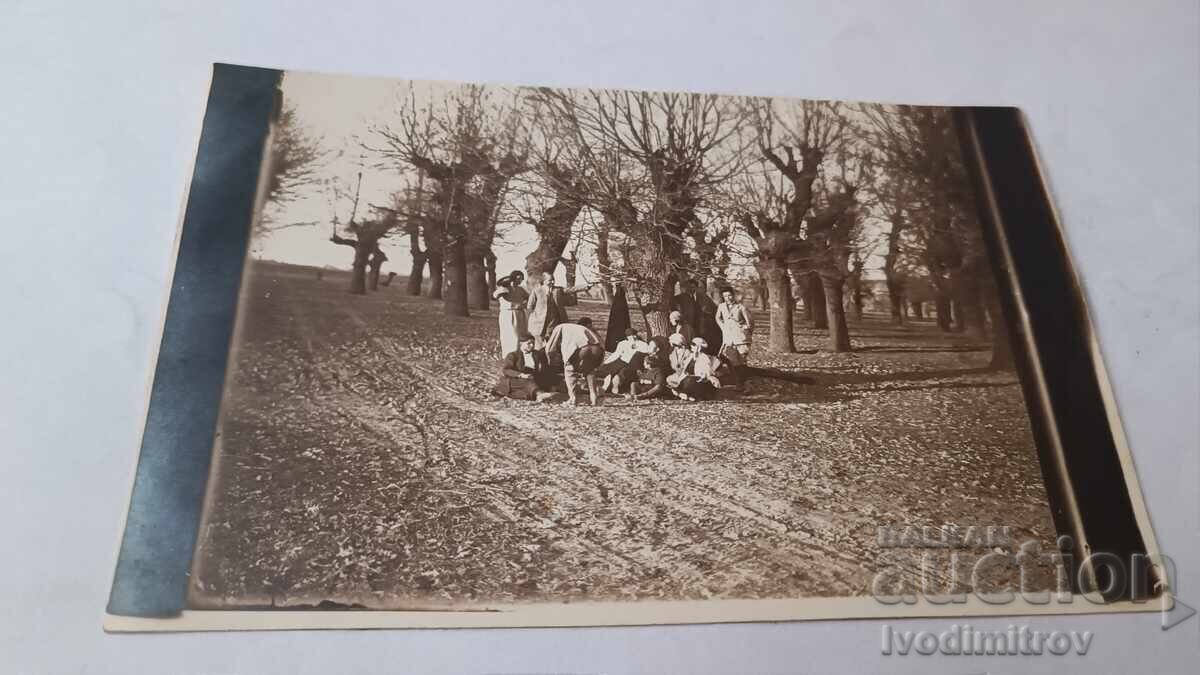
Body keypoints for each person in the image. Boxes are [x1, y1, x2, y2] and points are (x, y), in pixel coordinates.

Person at [545, 318, 604, 406]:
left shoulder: (559, 327)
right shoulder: (579, 328)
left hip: (582, 348)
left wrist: (550, 361)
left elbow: (550, 348)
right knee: (589, 371)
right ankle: (594, 397)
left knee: (569, 370)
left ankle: (572, 398)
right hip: (597, 348)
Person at [492, 333, 557, 402]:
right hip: (515, 379)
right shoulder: (513, 355)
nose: (532, 345)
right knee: (528, 382)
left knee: (545, 380)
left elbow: (545, 368)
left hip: (532, 377)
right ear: (521, 343)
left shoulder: (537, 354)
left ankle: (549, 393)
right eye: (529, 343)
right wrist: (521, 375)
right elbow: (506, 370)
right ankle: (540, 394)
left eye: (533, 343)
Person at [595, 327, 654, 396]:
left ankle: (612, 387)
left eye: (634, 335)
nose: (633, 337)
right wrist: (606, 362)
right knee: (610, 372)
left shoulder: (643, 344)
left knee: (621, 373)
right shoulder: (623, 343)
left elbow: (646, 355)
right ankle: (604, 388)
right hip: (622, 362)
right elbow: (616, 354)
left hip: (634, 365)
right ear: (627, 337)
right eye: (630, 336)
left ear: (637, 335)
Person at [715, 286, 754, 386]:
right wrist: (723, 327)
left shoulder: (741, 307)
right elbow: (718, 318)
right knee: (733, 361)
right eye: (725, 296)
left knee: (742, 360)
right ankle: (739, 382)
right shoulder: (721, 306)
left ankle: (745, 383)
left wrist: (745, 328)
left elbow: (750, 322)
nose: (728, 298)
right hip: (728, 338)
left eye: (730, 295)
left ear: (733, 295)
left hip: (741, 338)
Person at [672, 278, 718, 355]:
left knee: (700, 343)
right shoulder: (681, 297)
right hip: (688, 325)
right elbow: (674, 306)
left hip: (701, 326)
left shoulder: (703, 297)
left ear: (696, 288)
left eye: (693, 287)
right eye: (689, 287)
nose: (691, 289)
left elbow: (713, 309)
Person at [494, 271, 530, 357]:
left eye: (521, 279)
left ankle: (519, 355)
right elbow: (495, 295)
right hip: (507, 314)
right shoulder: (504, 289)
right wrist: (502, 289)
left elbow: (529, 298)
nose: (519, 281)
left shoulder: (520, 289)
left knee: (521, 335)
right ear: (512, 279)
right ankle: (509, 356)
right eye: (518, 279)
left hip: (519, 314)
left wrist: (524, 303)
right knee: (510, 335)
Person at [675, 337, 722, 401]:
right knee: (682, 382)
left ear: (699, 347)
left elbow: (707, 373)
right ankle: (687, 395)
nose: (691, 346)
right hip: (689, 379)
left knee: (689, 381)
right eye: (691, 344)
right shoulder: (690, 356)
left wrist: (700, 375)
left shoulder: (704, 358)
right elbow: (685, 370)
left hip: (700, 381)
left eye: (693, 345)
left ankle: (686, 395)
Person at [526, 271, 562, 349]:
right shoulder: (537, 290)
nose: (552, 282)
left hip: (553, 320)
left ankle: (549, 358)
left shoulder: (557, 290)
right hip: (539, 321)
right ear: (544, 281)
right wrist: (534, 317)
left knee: (551, 341)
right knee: (539, 342)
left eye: (553, 280)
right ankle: (539, 357)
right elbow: (530, 306)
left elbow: (570, 289)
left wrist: (586, 286)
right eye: (550, 280)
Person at [631, 335, 674, 400]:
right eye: (649, 345)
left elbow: (659, 382)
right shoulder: (643, 356)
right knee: (633, 384)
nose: (648, 347)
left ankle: (644, 395)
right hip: (645, 383)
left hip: (654, 384)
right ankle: (633, 395)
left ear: (657, 349)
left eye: (651, 346)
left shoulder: (661, 362)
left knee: (657, 387)